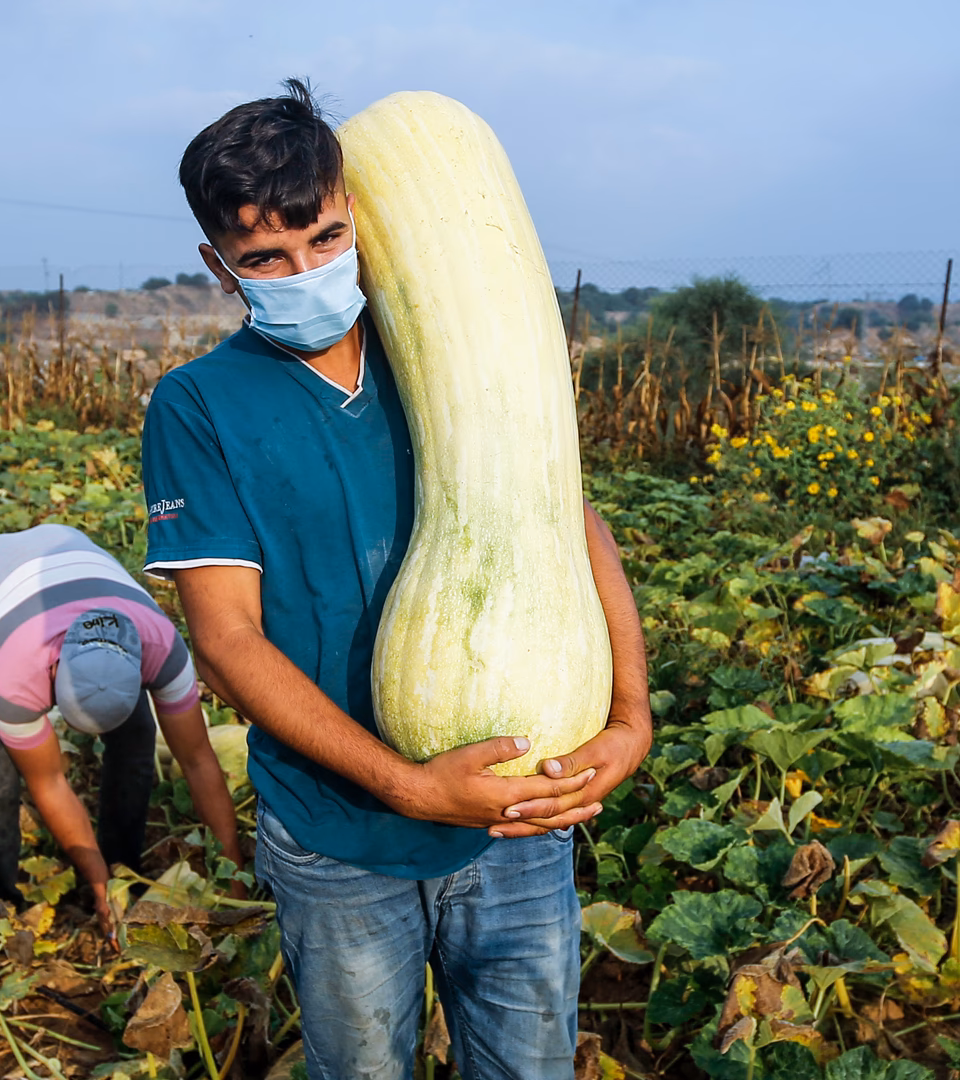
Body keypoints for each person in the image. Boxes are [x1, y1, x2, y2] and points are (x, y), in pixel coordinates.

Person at [139, 80, 652, 1079]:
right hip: (339, 835)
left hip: (513, 817)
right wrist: (408, 786)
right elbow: (228, 640)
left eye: (326, 238)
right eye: (266, 259)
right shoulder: (197, 406)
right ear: (218, 264)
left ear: (358, 214)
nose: (306, 270)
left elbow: (566, 518)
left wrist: (631, 713)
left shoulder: (453, 344)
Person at [0, 522, 244, 948]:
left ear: (139, 671)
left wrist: (235, 882)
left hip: (69, 558)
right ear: (55, 673)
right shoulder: (11, 675)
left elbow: (197, 760)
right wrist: (95, 882)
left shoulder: (162, 648)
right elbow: (49, 782)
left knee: (136, 740)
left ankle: (124, 869)